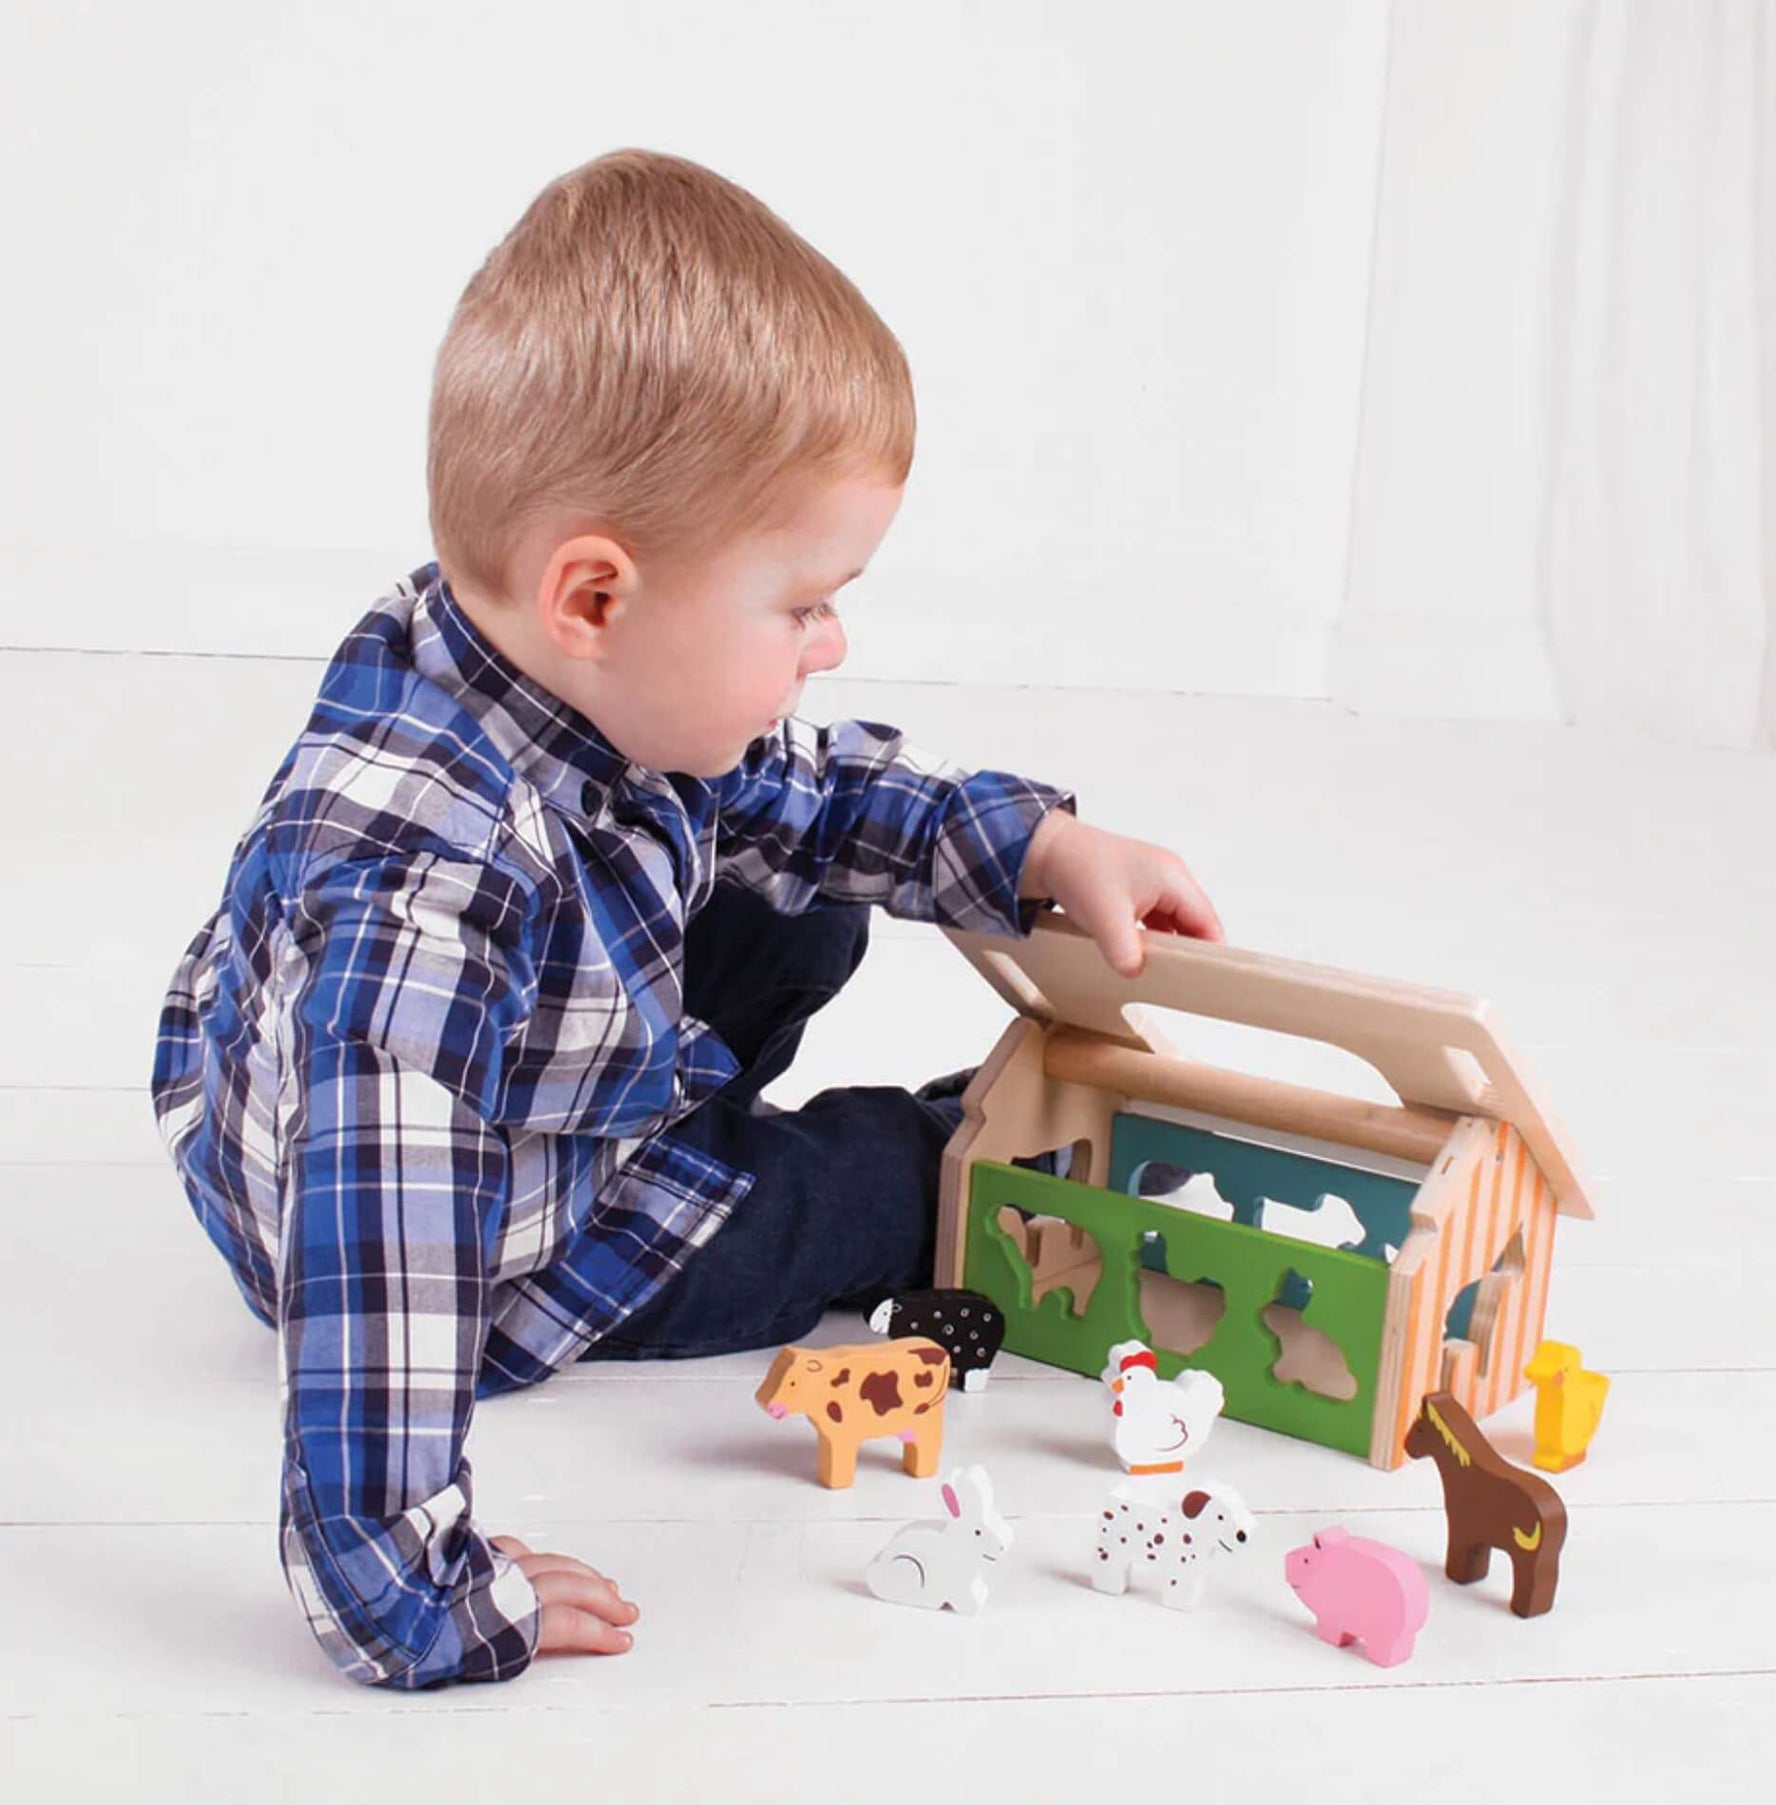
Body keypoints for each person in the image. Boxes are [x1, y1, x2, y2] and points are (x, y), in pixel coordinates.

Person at [150, 150, 1225, 1690]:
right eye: (798, 606)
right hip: (467, 1235)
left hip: (404, 1088)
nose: (832, 640)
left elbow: (805, 796)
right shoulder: (421, 908)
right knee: (850, 1187)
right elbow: (383, 1270)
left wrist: (1040, 844)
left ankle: (669, 1089)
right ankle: (957, 1163)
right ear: (594, 596)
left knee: (805, 901)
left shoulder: (527, 656)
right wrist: (417, 1585)